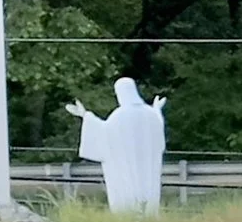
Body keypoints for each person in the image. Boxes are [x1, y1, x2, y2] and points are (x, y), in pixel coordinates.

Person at [65, 77, 168, 212]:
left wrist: (85, 115)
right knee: (148, 190)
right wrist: (156, 109)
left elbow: (104, 134)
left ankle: (128, 215)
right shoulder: (149, 114)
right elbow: (158, 131)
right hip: (147, 164)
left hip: (125, 165)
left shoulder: (119, 116)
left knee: (128, 192)